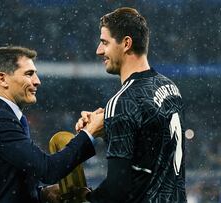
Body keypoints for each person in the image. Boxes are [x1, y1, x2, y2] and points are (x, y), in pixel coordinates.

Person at [76, 7, 186, 202]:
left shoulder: (123, 102)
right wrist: (107, 128)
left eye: (104, 42)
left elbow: (117, 189)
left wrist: (86, 197)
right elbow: (150, 153)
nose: (98, 51)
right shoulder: (170, 87)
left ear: (126, 43)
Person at [0, 46, 104, 203]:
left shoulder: (3, 116)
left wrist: (41, 194)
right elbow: (48, 170)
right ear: (2, 79)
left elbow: (7, 186)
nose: (37, 81)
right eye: (29, 74)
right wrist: (89, 133)